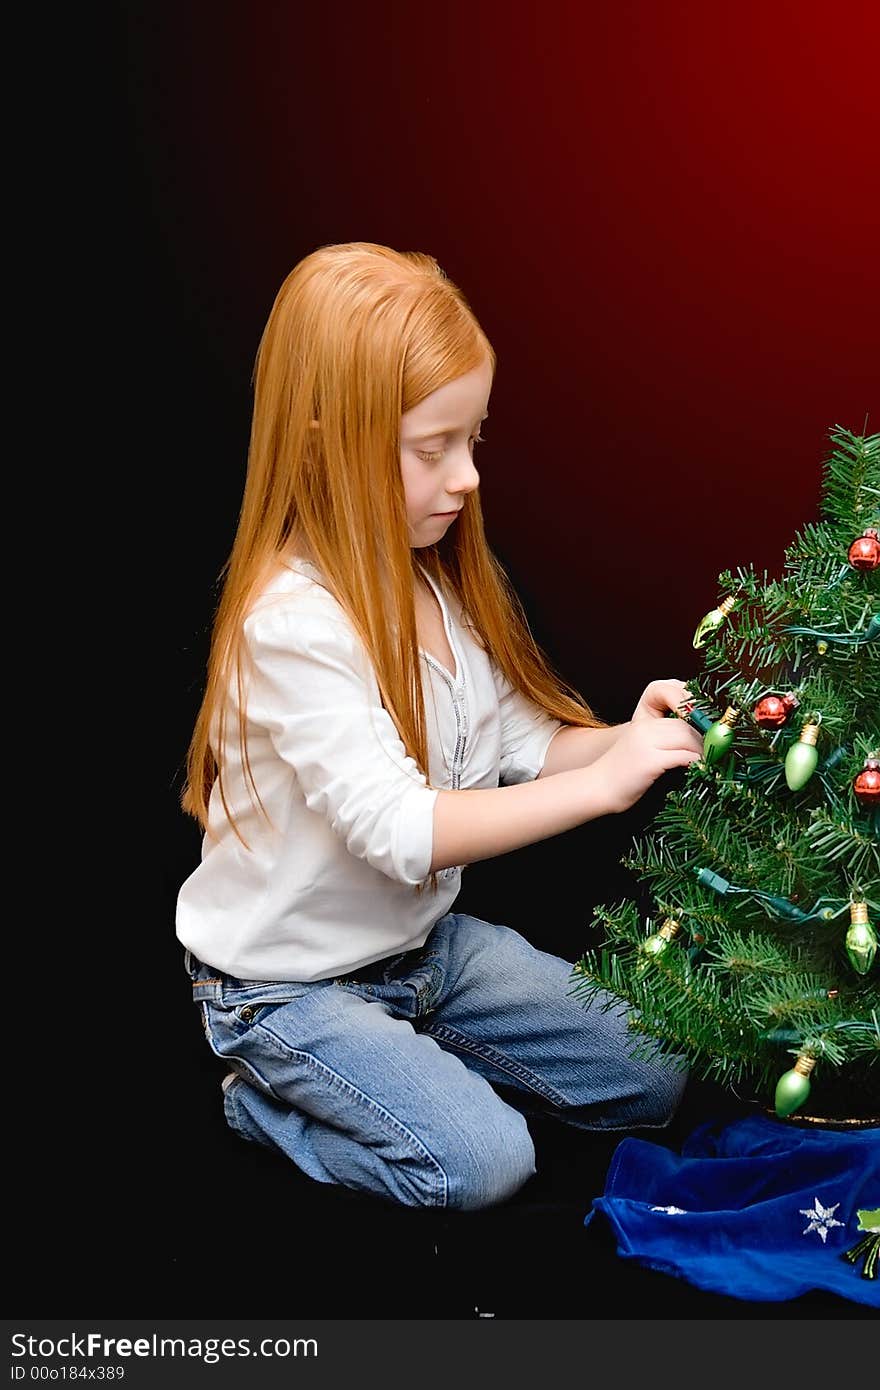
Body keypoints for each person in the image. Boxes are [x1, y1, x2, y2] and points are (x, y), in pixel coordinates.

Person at [177, 240, 705, 1211]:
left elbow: (526, 745)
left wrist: (629, 738)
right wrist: (598, 786)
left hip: (424, 952)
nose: (465, 477)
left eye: (474, 440)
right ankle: (263, 1102)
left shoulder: (431, 584)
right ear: (334, 438)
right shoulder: (290, 623)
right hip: (291, 988)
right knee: (482, 1162)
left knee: (655, 1073)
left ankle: (404, 1060)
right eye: (433, 448)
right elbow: (401, 833)